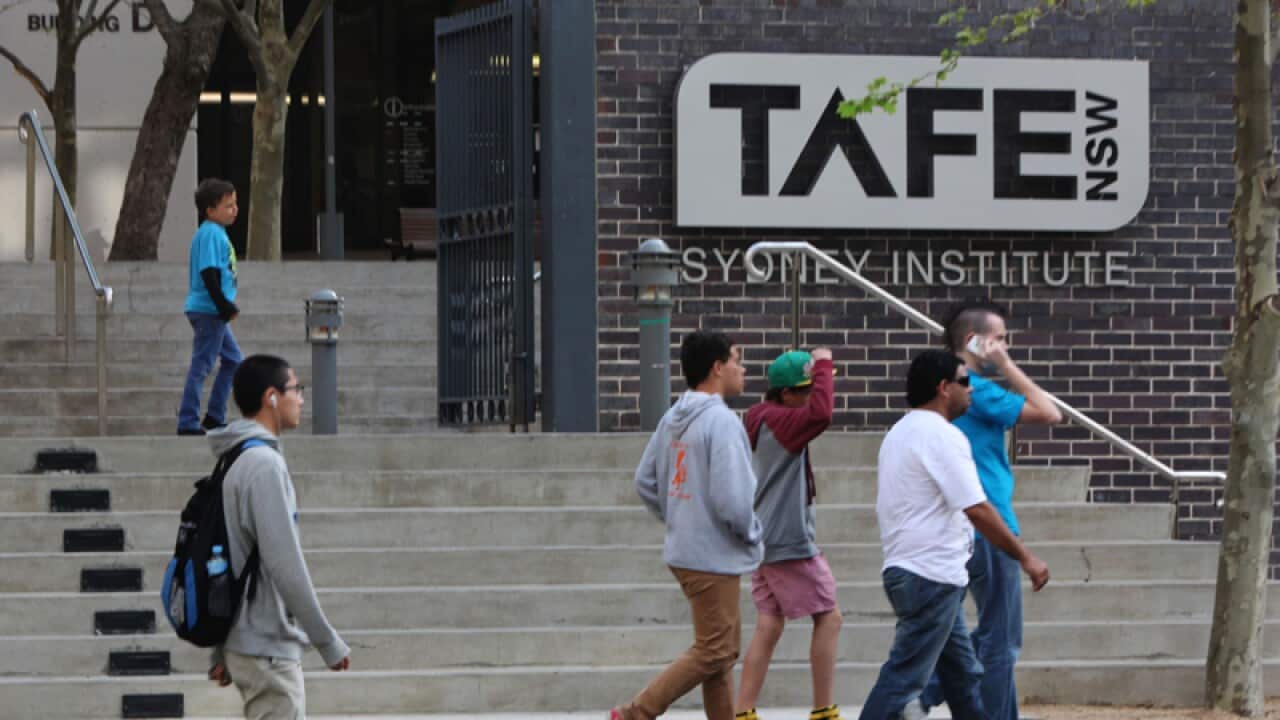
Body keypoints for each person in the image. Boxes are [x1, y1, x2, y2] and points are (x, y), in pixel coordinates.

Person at [859, 350, 1050, 720]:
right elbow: (976, 508)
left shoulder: (900, 432)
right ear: (944, 388)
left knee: (963, 676)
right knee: (902, 679)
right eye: (966, 382)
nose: (972, 391)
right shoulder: (942, 436)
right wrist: (1024, 556)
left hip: (914, 572)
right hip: (931, 575)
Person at [916, 300, 1065, 720]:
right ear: (973, 341)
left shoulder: (953, 390)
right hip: (990, 523)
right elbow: (1049, 412)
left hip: (963, 524)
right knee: (1002, 641)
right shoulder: (979, 391)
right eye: (997, 338)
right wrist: (1007, 364)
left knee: (980, 635)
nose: (1003, 345)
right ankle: (925, 693)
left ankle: (923, 691)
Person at [611, 330, 763, 720]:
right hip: (711, 555)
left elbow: (645, 480)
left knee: (720, 657)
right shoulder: (722, 422)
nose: (742, 368)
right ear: (716, 367)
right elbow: (734, 500)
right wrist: (750, 533)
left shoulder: (671, 418)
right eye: (736, 359)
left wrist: (678, 515)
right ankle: (636, 713)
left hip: (687, 550)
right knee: (716, 651)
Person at [207, 354, 351, 718]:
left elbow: (223, 554)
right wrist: (326, 640)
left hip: (250, 641)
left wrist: (221, 647)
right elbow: (285, 565)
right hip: (266, 646)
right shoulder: (263, 467)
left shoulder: (235, 459)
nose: (301, 398)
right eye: (295, 389)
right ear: (271, 397)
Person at [735, 348, 843, 720]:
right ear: (785, 394)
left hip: (764, 537)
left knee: (769, 623)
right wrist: (825, 365)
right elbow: (823, 414)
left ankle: (743, 711)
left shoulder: (762, 419)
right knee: (829, 617)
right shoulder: (783, 421)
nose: (812, 396)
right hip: (786, 541)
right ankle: (823, 709)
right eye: (805, 390)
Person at [178, 178, 243, 436]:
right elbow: (209, 273)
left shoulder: (216, 233)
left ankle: (215, 416)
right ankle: (187, 420)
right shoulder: (210, 234)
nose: (234, 210)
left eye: (235, 204)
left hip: (213, 310)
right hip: (209, 311)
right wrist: (223, 305)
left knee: (234, 361)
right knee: (202, 365)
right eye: (228, 206)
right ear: (210, 210)